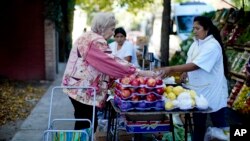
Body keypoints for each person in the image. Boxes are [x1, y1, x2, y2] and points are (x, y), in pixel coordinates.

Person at [62, 12, 161, 132]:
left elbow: (101, 63)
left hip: (76, 87)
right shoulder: (96, 40)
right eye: (112, 29)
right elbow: (111, 63)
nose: (113, 33)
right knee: (86, 125)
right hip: (82, 89)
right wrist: (140, 73)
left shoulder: (87, 36)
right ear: (103, 27)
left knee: (84, 122)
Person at [157, 16, 229, 141]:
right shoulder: (195, 44)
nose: (194, 31)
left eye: (197, 28)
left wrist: (171, 69)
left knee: (220, 125)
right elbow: (190, 61)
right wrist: (184, 72)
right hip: (198, 92)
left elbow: (195, 65)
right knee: (199, 126)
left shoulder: (212, 45)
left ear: (206, 29)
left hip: (214, 91)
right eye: (193, 28)